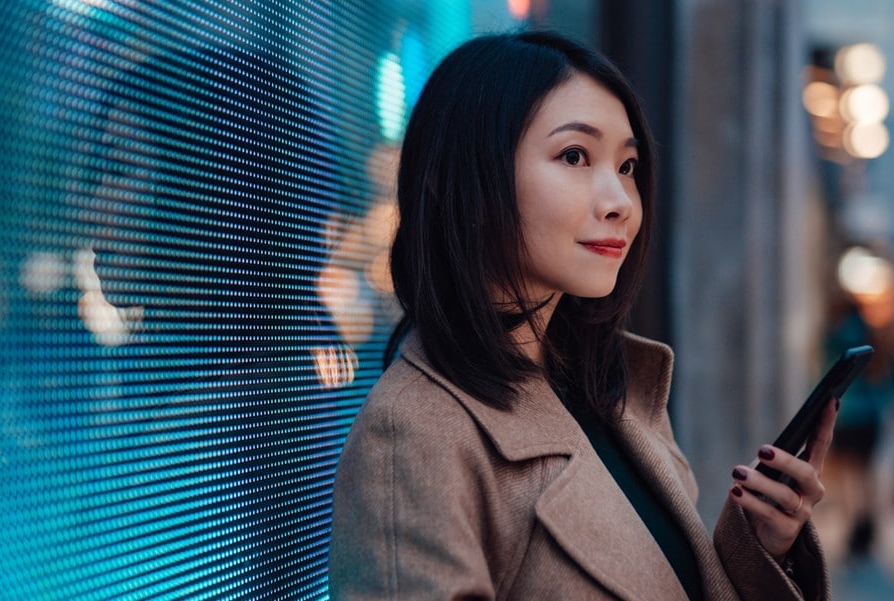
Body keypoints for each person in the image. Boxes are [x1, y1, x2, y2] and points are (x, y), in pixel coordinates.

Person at [327, 31, 835, 600]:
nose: (619, 202)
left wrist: (762, 549)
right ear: (465, 178)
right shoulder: (412, 435)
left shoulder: (611, 389)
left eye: (627, 165)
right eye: (574, 156)